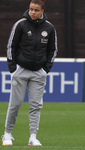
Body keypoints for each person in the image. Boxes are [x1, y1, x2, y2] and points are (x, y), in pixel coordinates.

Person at [2, 0, 58, 146]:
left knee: (36, 105)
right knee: (15, 104)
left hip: (38, 73)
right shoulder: (20, 24)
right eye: (31, 9)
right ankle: (7, 134)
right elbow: (11, 46)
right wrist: (13, 68)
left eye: (36, 10)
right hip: (20, 70)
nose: (32, 12)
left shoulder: (50, 28)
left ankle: (33, 137)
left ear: (42, 11)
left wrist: (45, 69)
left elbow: (52, 50)